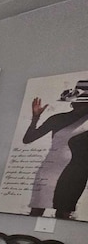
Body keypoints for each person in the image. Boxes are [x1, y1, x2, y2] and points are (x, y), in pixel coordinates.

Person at [24, 82, 88, 219]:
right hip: (50, 169)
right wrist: (35, 117)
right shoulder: (57, 118)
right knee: (36, 211)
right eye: (80, 101)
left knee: (63, 213)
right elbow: (28, 139)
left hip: (76, 173)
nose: (81, 105)